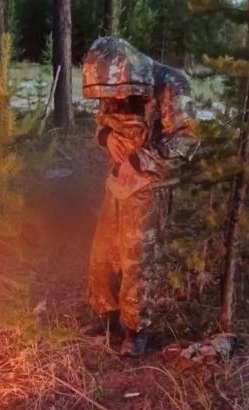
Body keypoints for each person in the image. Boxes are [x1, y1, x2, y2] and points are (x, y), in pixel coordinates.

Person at [81, 37, 199, 357]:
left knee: (138, 260)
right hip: (117, 183)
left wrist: (139, 161)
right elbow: (102, 120)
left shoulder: (171, 83)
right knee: (103, 252)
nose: (117, 98)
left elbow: (186, 140)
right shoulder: (113, 81)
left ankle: (136, 329)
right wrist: (106, 138)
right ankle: (107, 317)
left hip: (150, 187)